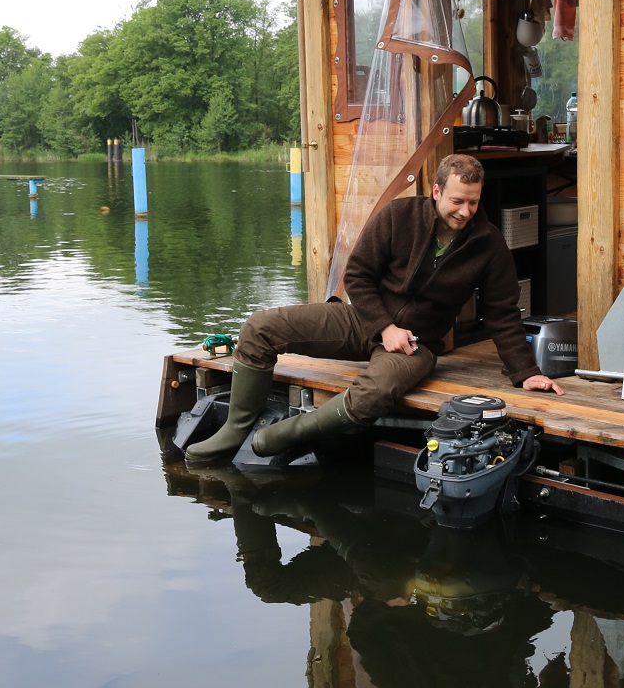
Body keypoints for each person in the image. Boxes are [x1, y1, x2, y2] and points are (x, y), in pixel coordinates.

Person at [186, 153, 564, 462]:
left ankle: (277, 437)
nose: (465, 211)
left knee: (375, 393)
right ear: (436, 191)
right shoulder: (399, 216)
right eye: (457, 201)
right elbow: (358, 274)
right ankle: (234, 429)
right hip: (362, 319)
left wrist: (526, 372)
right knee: (259, 328)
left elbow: (502, 312)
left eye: (473, 202)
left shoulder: (489, 244)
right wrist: (384, 327)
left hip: (417, 344)